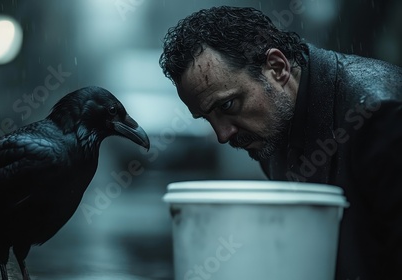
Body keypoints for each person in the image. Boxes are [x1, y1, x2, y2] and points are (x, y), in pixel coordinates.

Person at [159, 6, 402, 280]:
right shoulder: (271, 122)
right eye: (206, 118)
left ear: (277, 68)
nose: (223, 135)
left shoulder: (382, 115)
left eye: (227, 104)